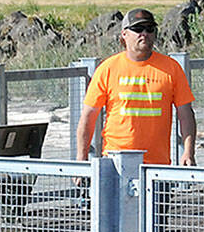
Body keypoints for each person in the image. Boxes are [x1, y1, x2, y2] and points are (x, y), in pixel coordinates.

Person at [76, 9, 197, 166]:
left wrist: (188, 152)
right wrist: (81, 158)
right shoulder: (107, 68)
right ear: (124, 34)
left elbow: (185, 113)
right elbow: (88, 116)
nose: (144, 34)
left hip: (157, 165)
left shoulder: (171, 68)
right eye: (138, 29)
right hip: (115, 162)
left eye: (149, 29)